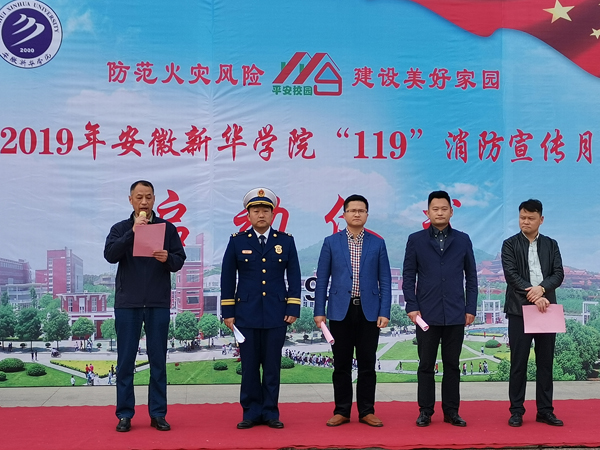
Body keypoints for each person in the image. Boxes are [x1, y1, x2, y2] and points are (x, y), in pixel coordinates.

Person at [104, 180, 186, 433]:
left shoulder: (166, 228)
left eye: (148, 197)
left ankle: (158, 414)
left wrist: (167, 257)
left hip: (157, 303)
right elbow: (110, 255)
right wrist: (132, 232)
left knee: (158, 360)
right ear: (130, 200)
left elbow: (179, 261)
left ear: (154, 199)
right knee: (125, 361)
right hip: (127, 304)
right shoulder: (120, 228)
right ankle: (125, 414)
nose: (144, 202)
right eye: (139, 197)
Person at [220, 187, 301, 429]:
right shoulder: (237, 241)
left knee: (272, 367)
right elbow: (227, 278)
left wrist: (293, 307)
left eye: (266, 210)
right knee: (250, 367)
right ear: (248, 215)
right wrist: (228, 312)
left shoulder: (285, 241)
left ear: (273, 214)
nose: (261, 214)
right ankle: (251, 412)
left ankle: (270, 412)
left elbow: (294, 276)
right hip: (245, 315)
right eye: (256, 210)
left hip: (277, 314)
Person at [314, 194, 392, 428]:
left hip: (369, 312)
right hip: (340, 311)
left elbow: (385, 281)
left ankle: (367, 411)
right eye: (352, 210)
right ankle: (342, 411)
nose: (357, 214)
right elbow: (322, 280)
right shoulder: (331, 242)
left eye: (361, 210)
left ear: (367, 214)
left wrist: (384, 311)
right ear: (344, 214)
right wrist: (319, 311)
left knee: (368, 363)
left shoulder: (377, 243)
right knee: (341, 364)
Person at [403, 190, 477, 428]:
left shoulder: (463, 240)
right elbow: (408, 276)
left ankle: (451, 411)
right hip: (426, 314)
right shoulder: (416, 240)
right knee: (426, 365)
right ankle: (425, 411)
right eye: (435, 209)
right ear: (427, 212)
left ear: (451, 212)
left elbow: (471, 277)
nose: (440, 213)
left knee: (452, 365)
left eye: (444, 208)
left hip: (455, 312)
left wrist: (470, 308)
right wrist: (412, 306)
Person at [501, 199, 564, 427]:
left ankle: (545, 411)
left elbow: (558, 274)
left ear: (541, 220)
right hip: (519, 310)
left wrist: (542, 290)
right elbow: (512, 275)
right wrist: (535, 296)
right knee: (518, 363)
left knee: (545, 363)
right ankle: (516, 410)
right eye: (522, 217)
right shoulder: (509, 244)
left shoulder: (551, 244)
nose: (525, 222)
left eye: (530, 218)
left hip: (547, 310)